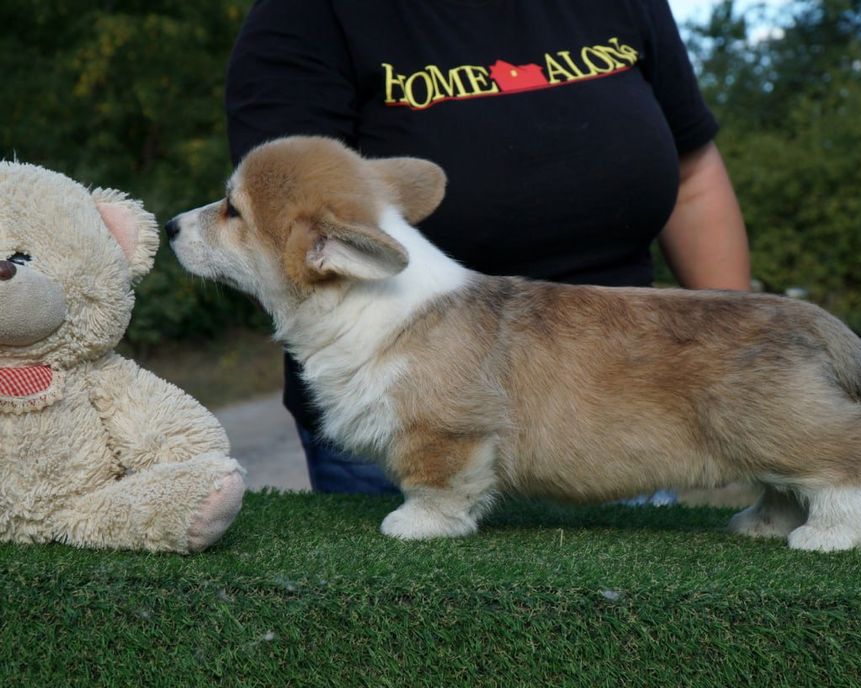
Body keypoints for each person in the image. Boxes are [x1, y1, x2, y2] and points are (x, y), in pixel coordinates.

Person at [225, 0, 751, 497]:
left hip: (624, 396)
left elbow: (694, 177)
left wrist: (734, 359)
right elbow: (273, 237)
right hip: (403, 410)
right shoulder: (308, 12)